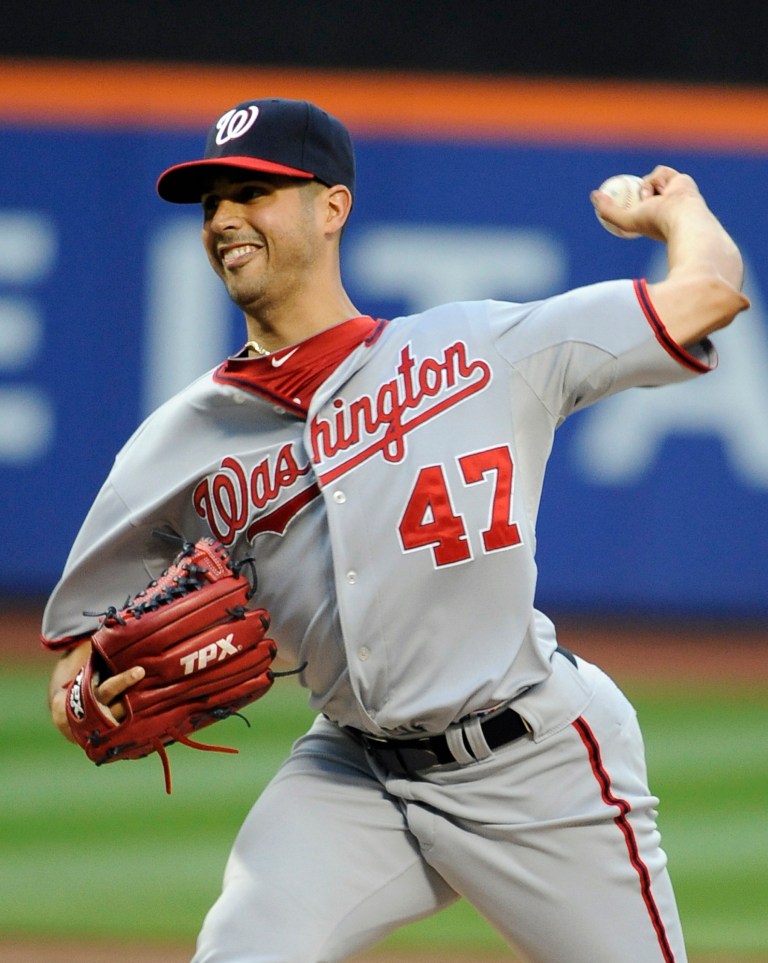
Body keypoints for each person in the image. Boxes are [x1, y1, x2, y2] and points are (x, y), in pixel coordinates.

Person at [43, 97, 748, 963]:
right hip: (352, 771)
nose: (226, 217)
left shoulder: (483, 349)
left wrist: (674, 209)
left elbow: (709, 291)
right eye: (212, 199)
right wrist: (83, 695)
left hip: (534, 763)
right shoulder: (176, 444)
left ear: (331, 207)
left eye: (255, 191)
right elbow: (78, 647)